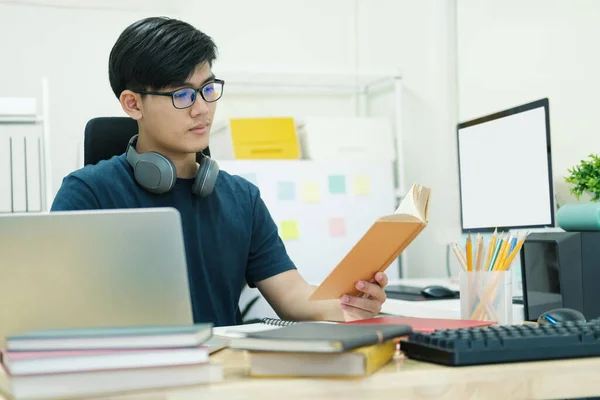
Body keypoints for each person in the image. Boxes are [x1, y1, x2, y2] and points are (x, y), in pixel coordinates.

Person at [51, 16, 389, 327]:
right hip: (134, 378)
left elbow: (293, 297)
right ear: (133, 104)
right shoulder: (88, 193)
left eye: (207, 89)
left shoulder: (242, 197)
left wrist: (352, 303)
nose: (202, 109)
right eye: (182, 94)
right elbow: (56, 308)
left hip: (226, 377)